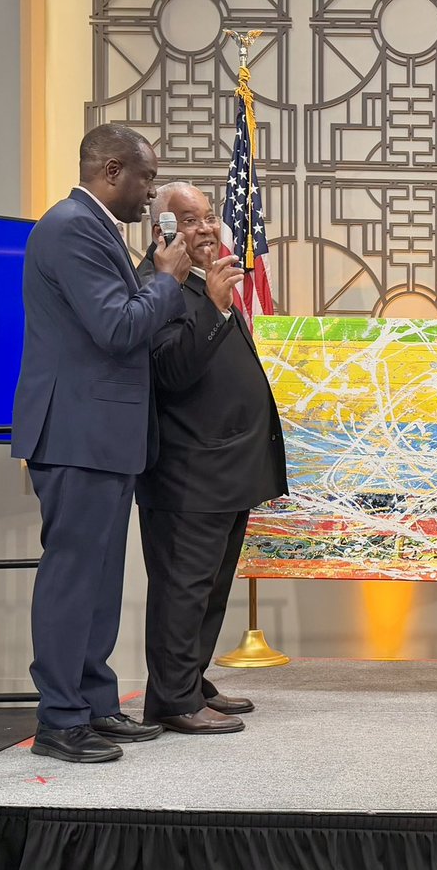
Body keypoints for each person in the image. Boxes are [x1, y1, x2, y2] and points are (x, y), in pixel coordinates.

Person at [12, 124, 191, 762]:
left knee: (101, 579)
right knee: (73, 577)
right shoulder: (70, 227)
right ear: (112, 171)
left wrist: (158, 280)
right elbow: (116, 327)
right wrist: (165, 279)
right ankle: (60, 720)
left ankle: (94, 704)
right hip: (76, 431)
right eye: (147, 178)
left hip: (102, 434)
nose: (152, 193)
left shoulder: (97, 229)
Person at [135, 182, 288, 733]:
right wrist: (218, 310)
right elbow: (171, 371)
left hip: (226, 470)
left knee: (210, 589)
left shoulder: (204, 281)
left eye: (208, 217)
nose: (205, 229)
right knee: (183, 588)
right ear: (163, 229)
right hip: (188, 473)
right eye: (189, 220)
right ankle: (172, 700)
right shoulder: (158, 286)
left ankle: (190, 680)